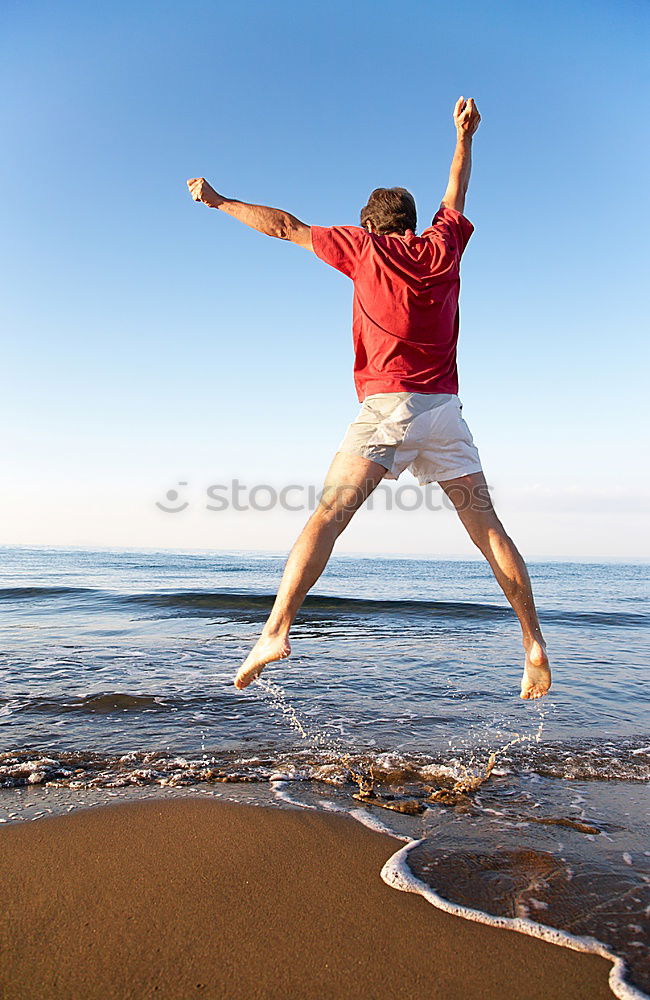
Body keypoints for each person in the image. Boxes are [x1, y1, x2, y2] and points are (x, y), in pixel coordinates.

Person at [187, 96, 551, 701]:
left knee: (329, 515)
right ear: (412, 221)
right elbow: (457, 190)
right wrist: (465, 135)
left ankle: (276, 631)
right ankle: (533, 640)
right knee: (488, 529)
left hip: (389, 408)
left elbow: (284, 227)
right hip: (446, 413)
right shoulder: (444, 246)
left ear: (373, 225)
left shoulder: (364, 249)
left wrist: (220, 201)